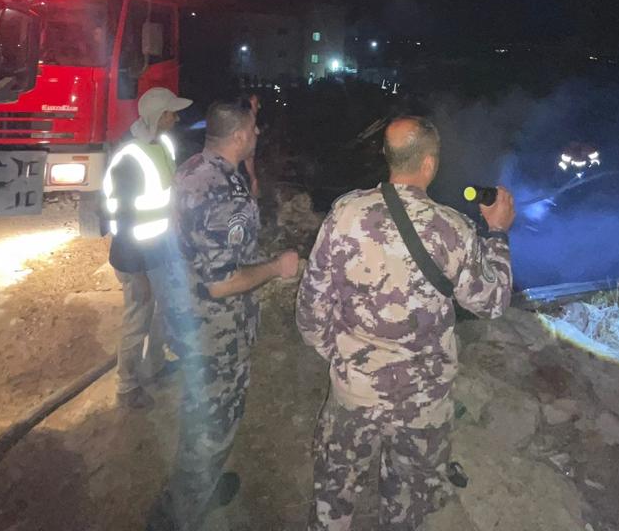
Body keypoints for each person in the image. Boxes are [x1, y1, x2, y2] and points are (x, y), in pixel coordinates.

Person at [296, 116, 515, 531]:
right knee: (406, 502)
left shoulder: (345, 213)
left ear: (387, 156)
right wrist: (498, 233)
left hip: (355, 390)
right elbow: (493, 302)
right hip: (422, 401)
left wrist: (341, 358)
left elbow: (311, 306)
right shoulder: (453, 229)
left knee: (333, 496)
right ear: (429, 164)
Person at [148, 99, 300, 531]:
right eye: (253, 128)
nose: (258, 133)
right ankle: (176, 516)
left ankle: (200, 488)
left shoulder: (196, 169)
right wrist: (277, 267)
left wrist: (248, 173)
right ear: (238, 136)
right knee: (212, 424)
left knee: (202, 413)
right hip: (214, 328)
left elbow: (226, 226)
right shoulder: (220, 193)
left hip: (191, 314)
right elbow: (222, 282)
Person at [106, 86, 193, 409]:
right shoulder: (130, 158)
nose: (177, 118)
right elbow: (123, 219)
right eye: (172, 113)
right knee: (137, 321)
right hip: (135, 257)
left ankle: (155, 366)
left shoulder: (163, 145)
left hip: (159, 251)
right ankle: (127, 386)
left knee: (159, 313)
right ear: (158, 116)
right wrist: (138, 273)